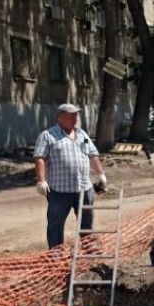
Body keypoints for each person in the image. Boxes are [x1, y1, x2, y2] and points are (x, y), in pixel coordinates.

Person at [34, 103, 107, 248]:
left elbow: (93, 154)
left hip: (83, 188)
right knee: (56, 223)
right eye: (71, 116)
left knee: (86, 220)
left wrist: (101, 174)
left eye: (76, 115)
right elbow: (39, 157)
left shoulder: (82, 134)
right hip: (59, 191)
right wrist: (41, 181)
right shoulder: (48, 135)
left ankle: (89, 247)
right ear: (60, 118)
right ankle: (56, 252)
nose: (75, 118)